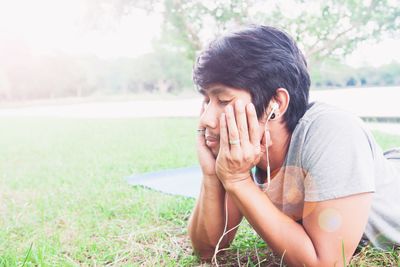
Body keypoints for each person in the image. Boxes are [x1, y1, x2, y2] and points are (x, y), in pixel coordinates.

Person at [187, 25, 400, 267]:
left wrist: (237, 180)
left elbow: (324, 263)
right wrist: (213, 175)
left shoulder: (332, 129)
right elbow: (207, 249)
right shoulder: (244, 150)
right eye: (206, 100)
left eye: (223, 100)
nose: (206, 119)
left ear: (275, 103)